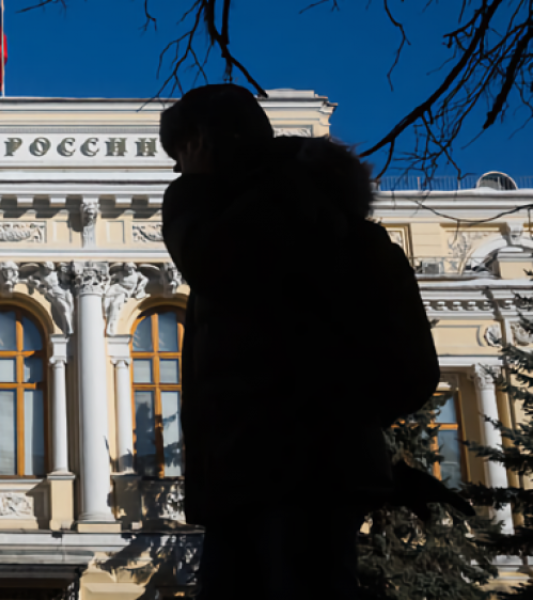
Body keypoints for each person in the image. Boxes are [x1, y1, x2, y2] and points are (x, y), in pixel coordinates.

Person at [158, 84, 428, 599]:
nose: (179, 169)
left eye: (184, 153)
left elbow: (209, 261)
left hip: (279, 478)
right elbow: (412, 372)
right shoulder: (349, 233)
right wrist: (346, 424)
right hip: (274, 479)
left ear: (208, 145)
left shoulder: (251, 235)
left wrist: (314, 423)